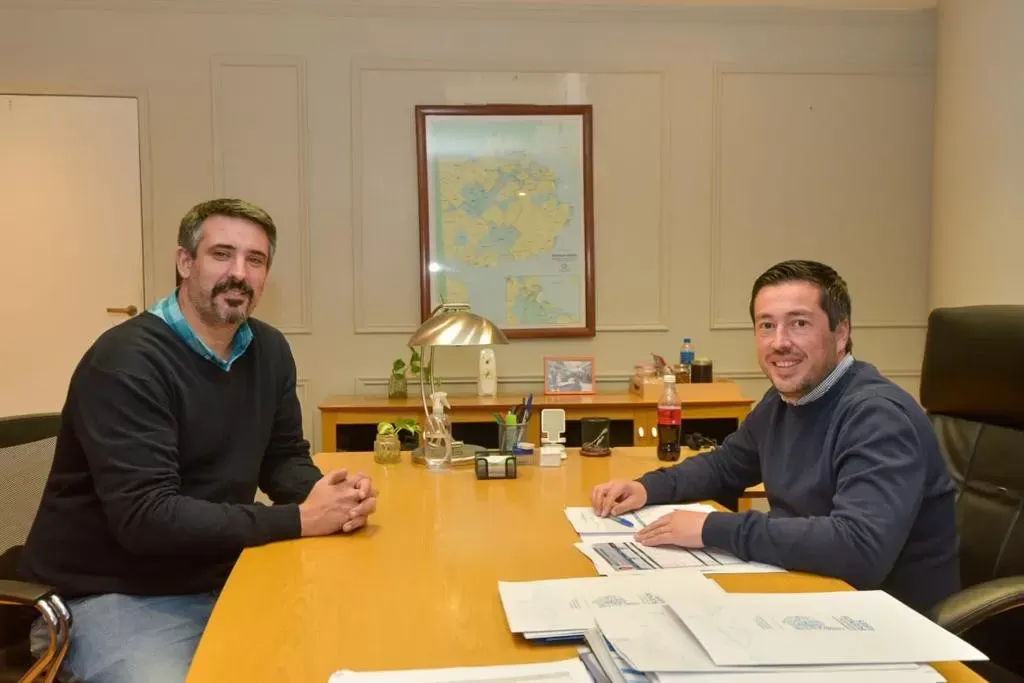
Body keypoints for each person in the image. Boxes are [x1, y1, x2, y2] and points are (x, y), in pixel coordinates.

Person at [19, 198, 378, 682]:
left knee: (341, 650)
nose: (239, 274)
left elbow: (283, 457)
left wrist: (327, 495)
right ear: (185, 262)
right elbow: (147, 518)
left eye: (255, 260)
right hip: (109, 594)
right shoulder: (126, 362)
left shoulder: (269, 350)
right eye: (221, 254)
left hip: (221, 572)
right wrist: (301, 518)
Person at [591, 260, 960, 614]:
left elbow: (859, 548)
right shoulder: (785, 399)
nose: (779, 342)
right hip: (808, 591)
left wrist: (712, 528)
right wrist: (647, 488)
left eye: (799, 323)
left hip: (885, 621)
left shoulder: (878, 416)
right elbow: (725, 466)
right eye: (766, 325)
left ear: (841, 333)